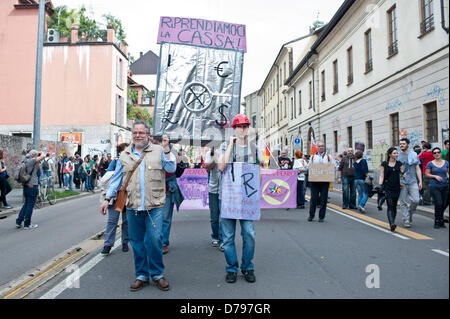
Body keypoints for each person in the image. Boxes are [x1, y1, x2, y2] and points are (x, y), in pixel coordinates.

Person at [101, 120, 176, 292]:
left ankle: (157, 274)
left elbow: (171, 167)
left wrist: (166, 148)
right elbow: (117, 179)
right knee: (136, 242)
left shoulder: (158, 150)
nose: (138, 135)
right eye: (135, 132)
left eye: (141, 132)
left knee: (155, 239)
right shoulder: (125, 154)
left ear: (148, 134)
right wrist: (107, 199)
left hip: (155, 205)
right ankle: (142, 275)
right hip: (133, 206)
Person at [218, 114, 263, 284]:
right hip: (229, 198)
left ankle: (247, 266)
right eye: (239, 126)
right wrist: (231, 144)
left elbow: (258, 171)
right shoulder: (225, 145)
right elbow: (221, 166)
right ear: (234, 128)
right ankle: (231, 268)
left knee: (249, 233)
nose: (242, 129)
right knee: (228, 237)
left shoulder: (254, 148)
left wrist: (257, 194)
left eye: (245, 126)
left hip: (247, 198)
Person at [100, 143, 130, 255]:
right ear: (120, 152)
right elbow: (110, 179)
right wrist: (108, 197)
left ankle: (125, 242)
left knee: (126, 221)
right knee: (112, 221)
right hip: (114, 195)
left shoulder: (132, 161)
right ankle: (107, 244)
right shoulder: (115, 162)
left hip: (126, 194)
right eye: (125, 150)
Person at [161, 147, 185, 255]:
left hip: (168, 189)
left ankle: (163, 243)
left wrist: (180, 162)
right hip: (152, 189)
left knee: (165, 218)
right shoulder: (148, 150)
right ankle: (152, 241)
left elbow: (179, 173)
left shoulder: (171, 151)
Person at [16, 150, 46, 229]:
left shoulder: (25, 160)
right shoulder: (32, 161)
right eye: (36, 155)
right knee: (30, 205)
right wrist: (40, 152)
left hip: (26, 185)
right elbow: (43, 156)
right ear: (33, 155)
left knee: (26, 204)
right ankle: (27, 224)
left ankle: (19, 221)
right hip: (32, 185)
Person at [398, 138, 422, 228]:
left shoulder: (413, 155)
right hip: (402, 182)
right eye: (400, 144)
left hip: (413, 181)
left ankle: (410, 213)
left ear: (408, 144)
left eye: (403, 144)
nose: (401, 145)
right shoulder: (398, 156)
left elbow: (417, 168)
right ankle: (406, 219)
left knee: (416, 200)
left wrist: (420, 181)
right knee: (403, 202)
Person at [379, 147, 404, 232]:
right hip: (387, 186)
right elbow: (381, 175)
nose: (396, 154)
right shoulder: (384, 164)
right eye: (394, 153)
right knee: (390, 204)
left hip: (397, 187)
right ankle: (392, 223)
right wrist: (380, 185)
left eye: (397, 153)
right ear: (390, 154)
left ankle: (392, 220)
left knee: (394, 205)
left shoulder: (399, 164)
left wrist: (403, 178)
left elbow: (402, 174)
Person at [205, 146, 224, 250]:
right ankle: (215, 236)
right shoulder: (210, 153)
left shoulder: (228, 151)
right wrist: (215, 157)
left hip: (225, 189)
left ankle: (222, 240)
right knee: (214, 216)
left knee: (224, 216)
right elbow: (207, 167)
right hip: (213, 189)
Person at [308, 141, 332, 222]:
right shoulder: (313, 157)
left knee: (323, 199)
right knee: (314, 199)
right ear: (317, 148)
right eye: (319, 146)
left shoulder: (328, 157)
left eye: (322, 146)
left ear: (324, 147)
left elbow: (333, 167)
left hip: (325, 181)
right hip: (315, 181)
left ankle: (321, 217)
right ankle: (311, 215)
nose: (321, 147)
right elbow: (309, 167)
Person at [425, 147, 449, 229]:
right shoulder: (430, 164)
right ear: (433, 155)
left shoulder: (446, 163)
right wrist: (435, 176)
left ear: (440, 153)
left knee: (443, 204)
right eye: (435, 153)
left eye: (438, 152)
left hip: (445, 186)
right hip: (434, 186)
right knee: (438, 203)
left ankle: (441, 220)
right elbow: (427, 174)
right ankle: (437, 221)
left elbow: (448, 172)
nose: (437, 154)